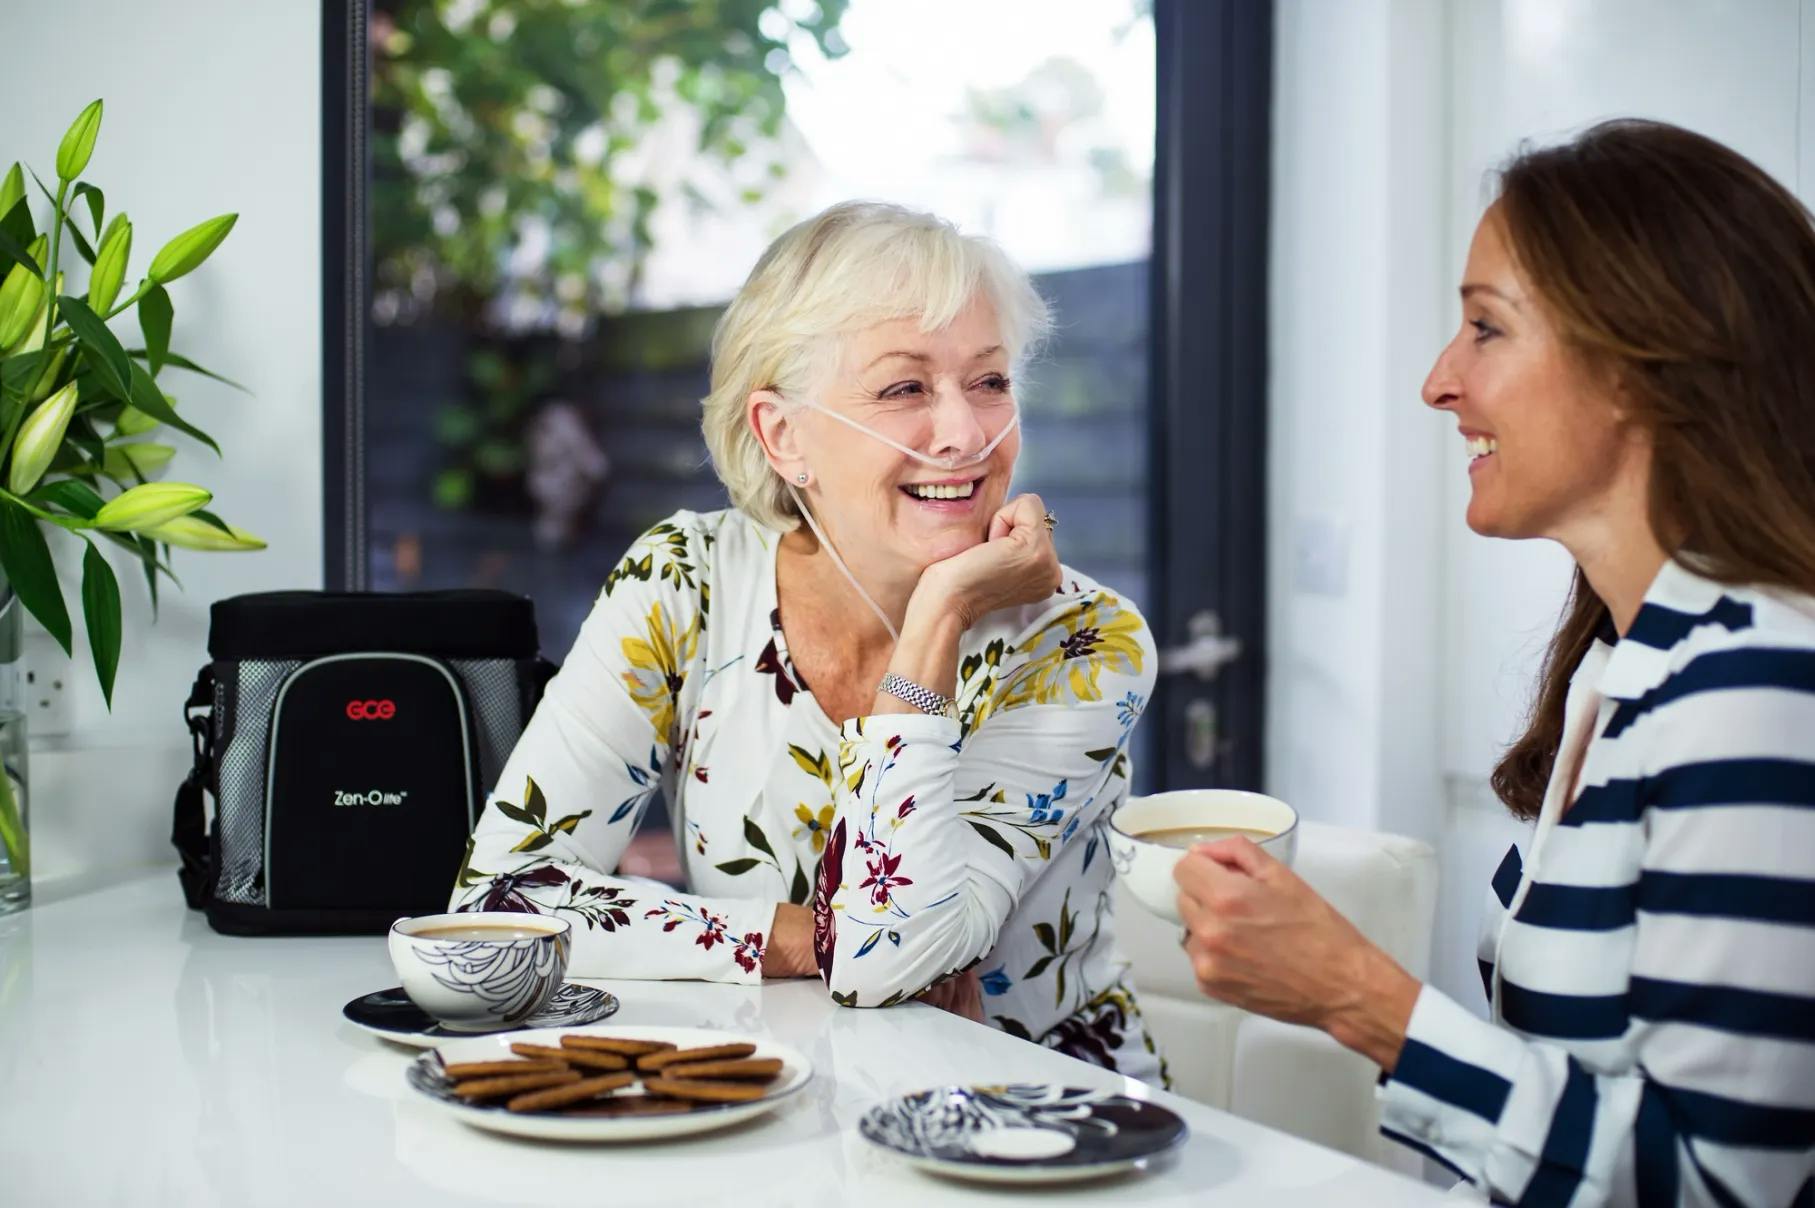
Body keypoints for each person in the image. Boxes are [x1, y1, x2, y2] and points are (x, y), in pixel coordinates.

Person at [1172, 120, 1815, 1205]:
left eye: (1485, 328)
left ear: (1636, 367)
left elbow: (1720, 1187)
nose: (1438, 381)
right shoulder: (1625, 669)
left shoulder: (1759, 688)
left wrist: (1359, 996)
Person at [451, 200, 1164, 1081]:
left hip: (1047, 1130)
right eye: (905, 388)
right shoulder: (687, 582)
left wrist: (938, 619)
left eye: (989, 381)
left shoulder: (1084, 641)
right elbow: (500, 903)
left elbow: (887, 962)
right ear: (783, 436)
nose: (968, 434)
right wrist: (798, 934)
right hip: (772, 1104)